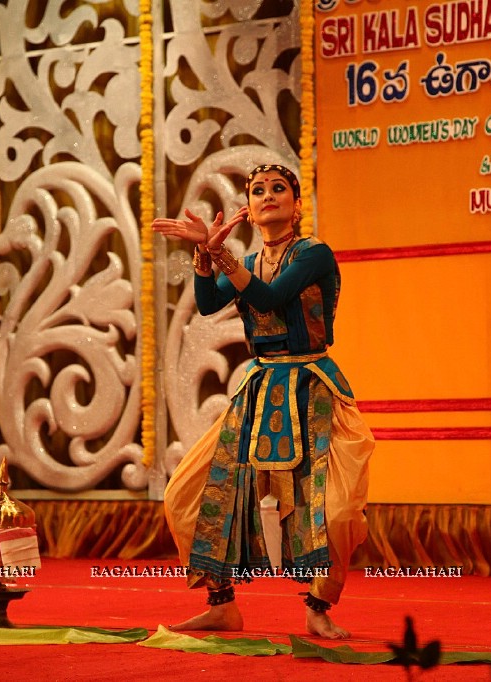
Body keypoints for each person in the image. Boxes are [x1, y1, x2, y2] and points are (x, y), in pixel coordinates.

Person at [152, 164, 373, 639]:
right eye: (258, 190)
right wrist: (204, 254)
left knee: (333, 509)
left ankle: (318, 605)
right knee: (185, 496)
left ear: (296, 205)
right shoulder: (249, 263)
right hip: (259, 390)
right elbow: (210, 302)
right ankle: (221, 605)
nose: (269, 195)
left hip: (313, 389)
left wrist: (221, 251)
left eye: (279, 189)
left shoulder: (313, 255)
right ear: (248, 209)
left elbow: (271, 299)